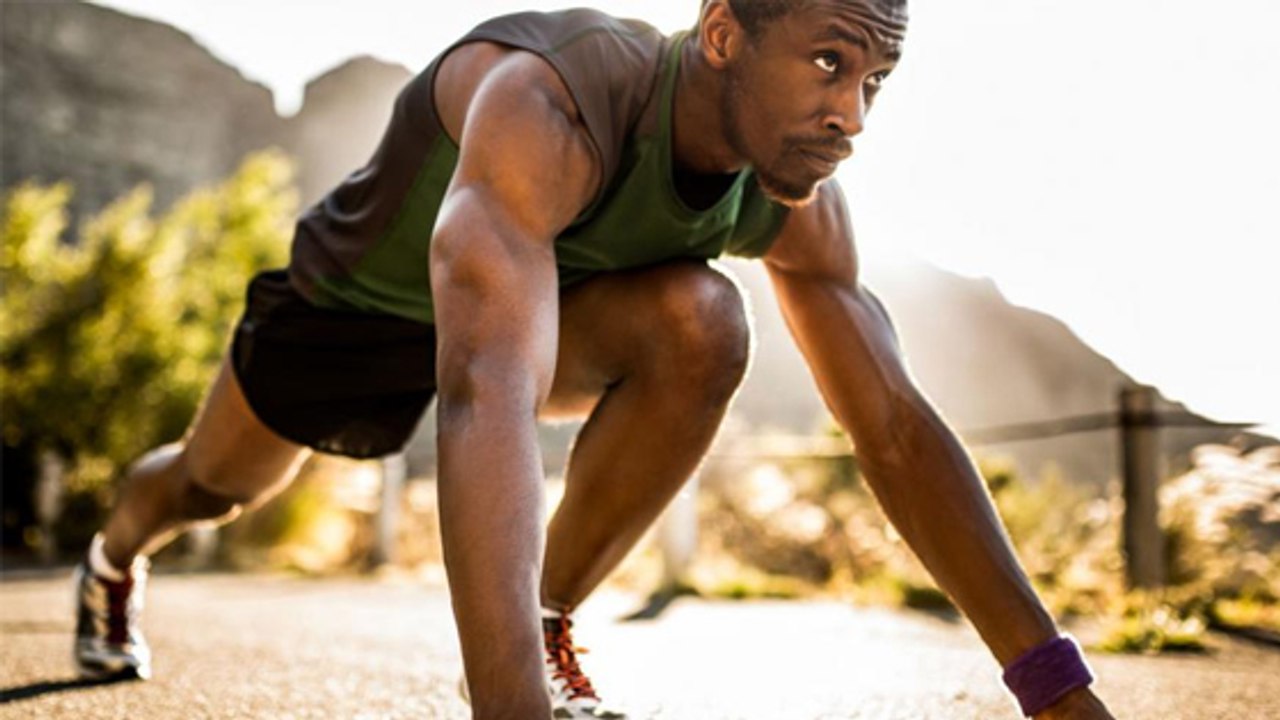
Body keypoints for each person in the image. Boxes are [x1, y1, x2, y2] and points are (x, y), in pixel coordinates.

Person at [73, 1, 1116, 718]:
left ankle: (546, 621)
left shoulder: (797, 196)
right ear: (720, 33)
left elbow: (889, 428)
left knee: (703, 321)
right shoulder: (552, 99)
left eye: (876, 78)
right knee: (210, 487)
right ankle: (113, 561)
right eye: (828, 64)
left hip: (537, 319)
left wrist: (1053, 688)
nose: (851, 114)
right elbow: (488, 389)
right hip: (355, 310)